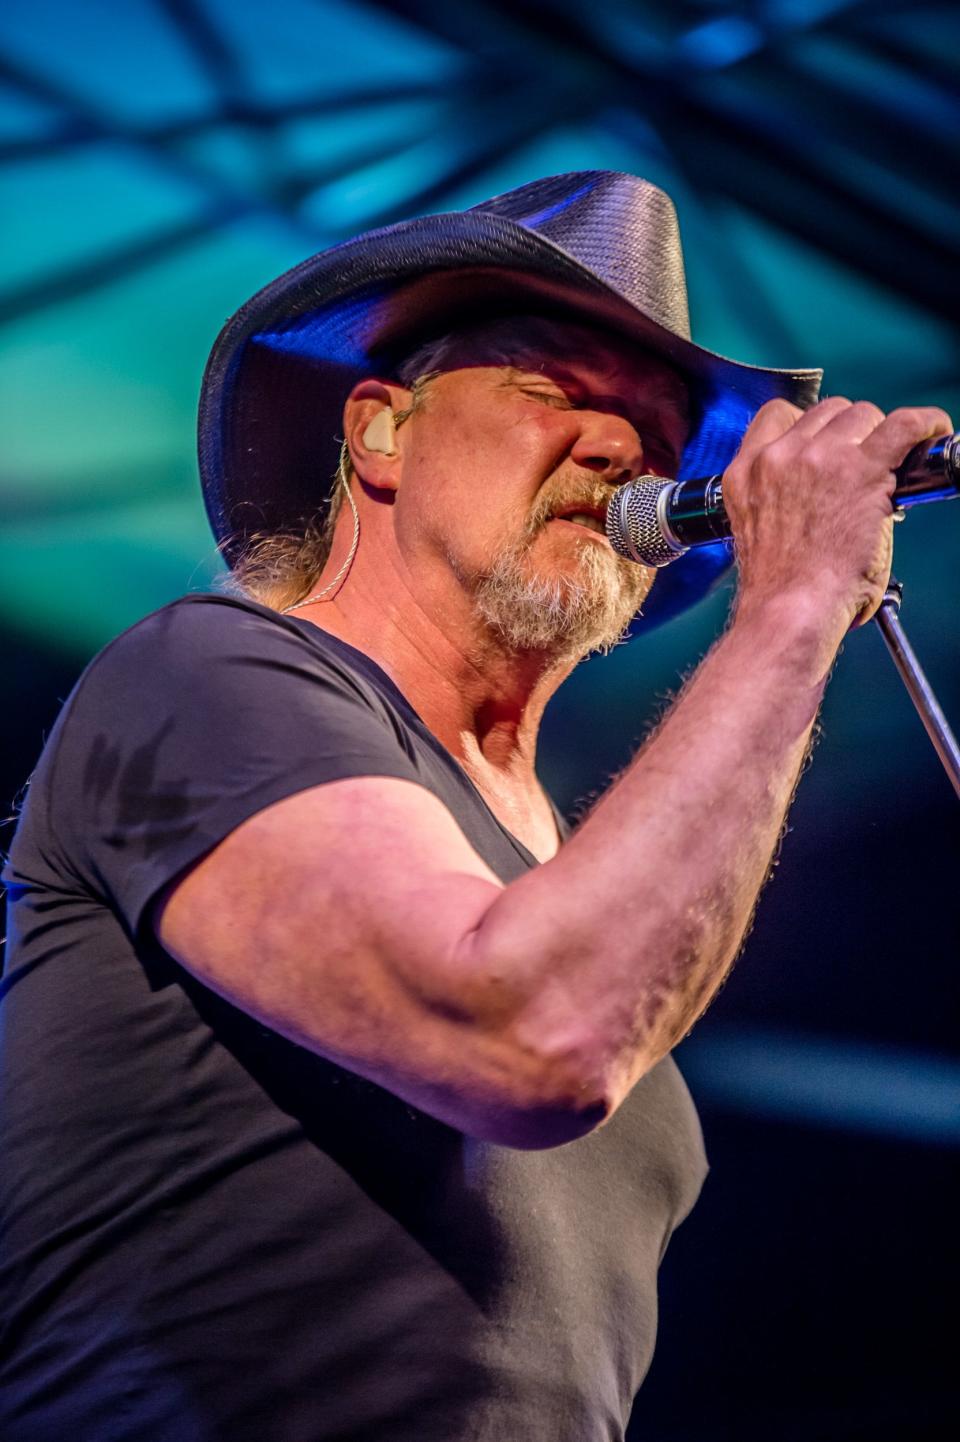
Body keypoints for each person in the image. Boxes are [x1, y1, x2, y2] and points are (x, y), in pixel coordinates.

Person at [0, 171, 950, 1442]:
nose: (622, 449)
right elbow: (532, 1033)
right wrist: (792, 604)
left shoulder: (553, 859)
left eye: (659, 434)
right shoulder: (209, 672)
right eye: (556, 390)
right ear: (382, 431)